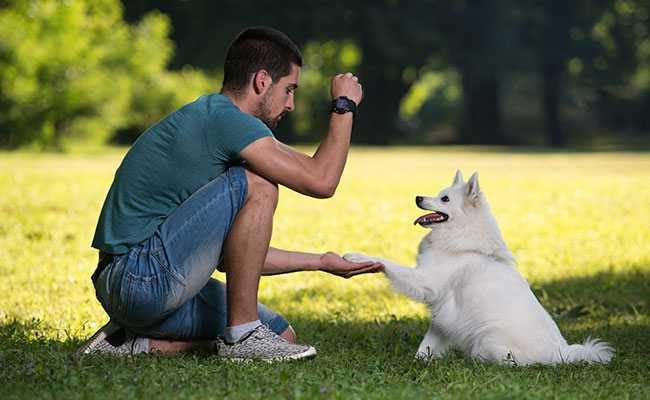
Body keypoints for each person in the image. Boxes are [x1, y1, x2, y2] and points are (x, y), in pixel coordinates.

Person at [75, 26, 382, 361]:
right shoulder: (227, 121)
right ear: (262, 81)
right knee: (259, 182)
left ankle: (129, 344)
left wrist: (320, 262)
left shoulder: (226, 124)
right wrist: (344, 104)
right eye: (289, 89)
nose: (291, 104)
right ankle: (244, 334)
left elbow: (235, 256)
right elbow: (322, 182)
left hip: (138, 285)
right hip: (137, 278)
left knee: (283, 334)